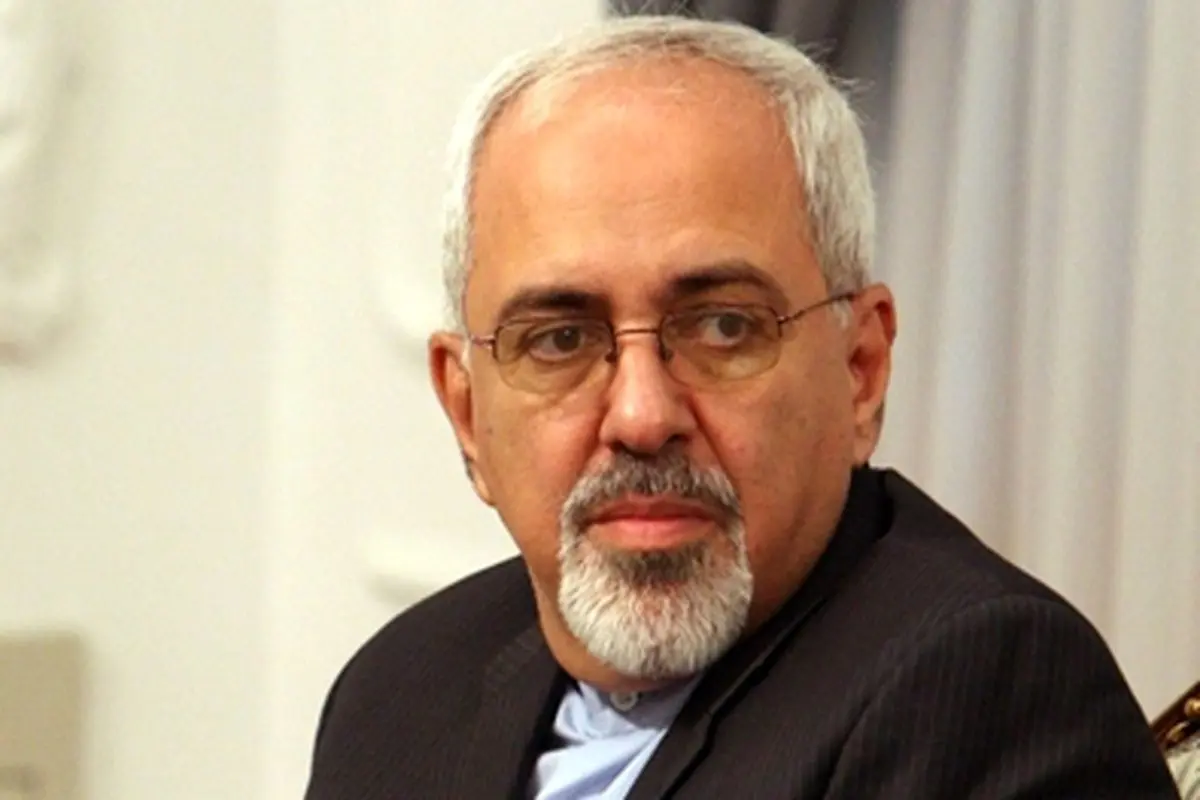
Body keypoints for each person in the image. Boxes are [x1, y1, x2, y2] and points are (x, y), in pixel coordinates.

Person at [304, 16, 1177, 799]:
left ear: (861, 371)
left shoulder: (978, 691)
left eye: (723, 327)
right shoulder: (401, 690)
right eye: (561, 339)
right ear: (465, 413)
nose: (641, 417)